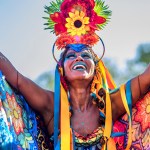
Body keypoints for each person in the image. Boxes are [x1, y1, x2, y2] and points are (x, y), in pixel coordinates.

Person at [0, 0, 150, 150]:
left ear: (96, 67)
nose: (79, 58)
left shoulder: (111, 104)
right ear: (62, 69)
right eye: (71, 56)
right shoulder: (52, 106)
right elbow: (17, 79)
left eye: (86, 55)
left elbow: (145, 80)